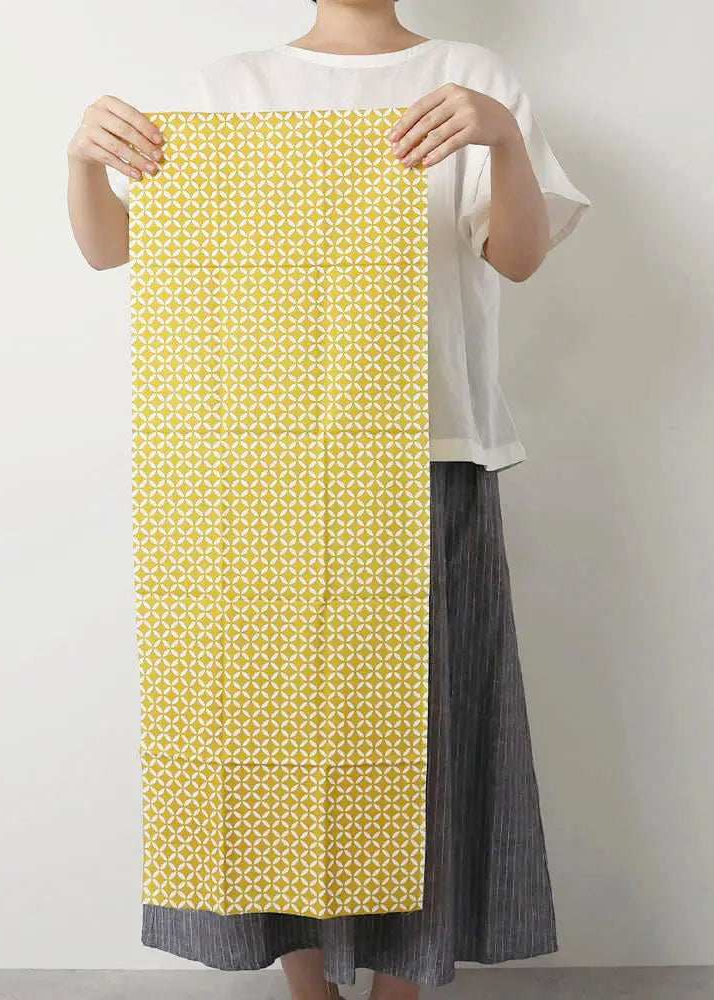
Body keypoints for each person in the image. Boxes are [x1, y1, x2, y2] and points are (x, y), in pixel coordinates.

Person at [66, 1, 591, 998]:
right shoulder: (233, 88)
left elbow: (517, 256)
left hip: (429, 449)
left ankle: (401, 984)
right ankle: (305, 985)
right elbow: (118, 250)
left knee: (414, 743)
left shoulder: (471, 76)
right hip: (262, 467)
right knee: (269, 736)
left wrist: (502, 138)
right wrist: (84, 164)